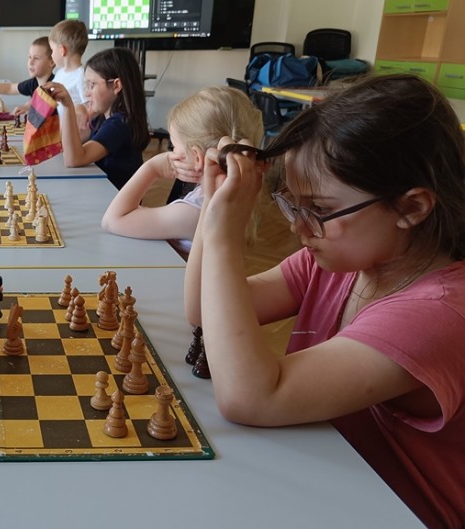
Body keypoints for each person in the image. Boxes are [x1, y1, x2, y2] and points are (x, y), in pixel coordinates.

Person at [184, 74, 465, 528]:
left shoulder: (439, 313)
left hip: (401, 511)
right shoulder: (340, 262)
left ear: (412, 207)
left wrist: (223, 236)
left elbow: (251, 398)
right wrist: (214, 205)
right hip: (324, 481)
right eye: (294, 205)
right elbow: (203, 308)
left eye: (319, 210)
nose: (299, 227)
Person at [101, 86, 263, 244]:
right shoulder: (233, 194)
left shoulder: (193, 211)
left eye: (174, 146)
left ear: (197, 158)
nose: (171, 153)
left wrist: (152, 168)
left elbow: (113, 220)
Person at [43, 47, 149, 190]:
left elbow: (74, 159)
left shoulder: (119, 124)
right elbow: (62, 144)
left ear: (116, 85)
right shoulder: (102, 119)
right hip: (101, 190)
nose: (87, 93)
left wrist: (68, 106)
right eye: (86, 85)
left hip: (112, 197)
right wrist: (79, 111)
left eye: (91, 85)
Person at [47, 19, 89, 133]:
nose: (51, 55)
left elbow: (89, 109)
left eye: (52, 50)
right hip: (59, 130)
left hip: (74, 133)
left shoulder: (82, 76)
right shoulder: (60, 73)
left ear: (62, 50)